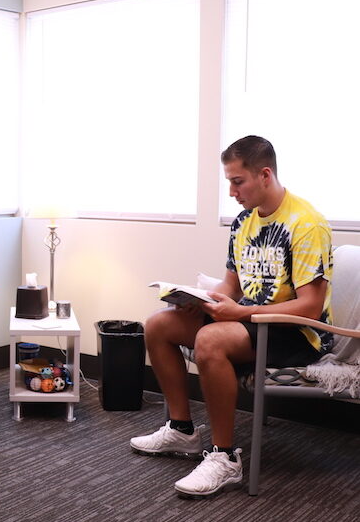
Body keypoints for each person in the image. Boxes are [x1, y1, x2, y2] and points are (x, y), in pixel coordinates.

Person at [130, 135, 333, 497]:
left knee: (210, 340)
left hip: (294, 333)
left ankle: (224, 458)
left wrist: (239, 312)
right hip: (249, 320)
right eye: (229, 182)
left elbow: (310, 307)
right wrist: (197, 299)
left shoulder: (306, 223)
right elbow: (231, 286)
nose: (232, 191)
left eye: (237, 182)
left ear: (265, 175)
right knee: (159, 324)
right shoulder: (243, 222)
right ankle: (181, 429)